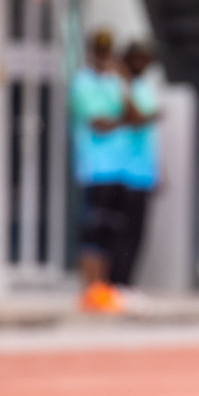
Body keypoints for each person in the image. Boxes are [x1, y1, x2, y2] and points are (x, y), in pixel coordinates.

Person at [70, 29, 130, 313]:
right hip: (95, 167)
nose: (105, 57)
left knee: (110, 229)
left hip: (118, 166)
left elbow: (131, 113)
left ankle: (102, 287)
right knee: (93, 228)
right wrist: (125, 120)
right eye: (100, 51)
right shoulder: (82, 82)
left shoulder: (115, 81)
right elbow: (100, 123)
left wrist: (125, 81)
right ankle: (89, 287)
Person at [112, 41, 161, 289]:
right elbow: (137, 119)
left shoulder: (147, 87)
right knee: (120, 233)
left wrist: (159, 171)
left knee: (137, 234)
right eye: (138, 59)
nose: (143, 64)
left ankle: (127, 284)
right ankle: (116, 283)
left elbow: (149, 126)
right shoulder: (117, 85)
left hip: (143, 172)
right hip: (122, 172)